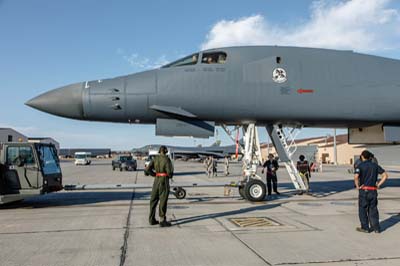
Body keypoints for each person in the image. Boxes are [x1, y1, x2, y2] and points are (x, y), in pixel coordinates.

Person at [354, 150, 388, 233]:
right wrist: (378, 184)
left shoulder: (360, 165)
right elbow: (385, 175)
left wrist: (358, 186)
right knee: (373, 209)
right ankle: (376, 228)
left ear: (362, 156)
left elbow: (356, 177)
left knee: (363, 209)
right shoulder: (375, 166)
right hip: (373, 191)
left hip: (364, 191)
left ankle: (365, 227)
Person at [145, 146, 174, 227]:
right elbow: (170, 173)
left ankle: (151, 219)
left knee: (153, 200)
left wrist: (154, 174)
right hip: (164, 181)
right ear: (165, 151)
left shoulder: (155, 158)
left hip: (156, 180)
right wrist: (168, 176)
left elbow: (147, 169)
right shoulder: (166, 159)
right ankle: (162, 221)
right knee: (163, 201)